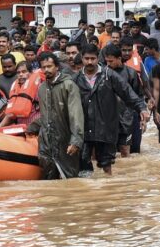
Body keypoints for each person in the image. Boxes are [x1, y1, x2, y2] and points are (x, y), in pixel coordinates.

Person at [73, 44, 147, 175]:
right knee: (83, 166)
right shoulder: (75, 79)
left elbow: (127, 92)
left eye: (93, 58)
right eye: (86, 58)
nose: (89, 62)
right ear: (82, 58)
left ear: (98, 58)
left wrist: (142, 108)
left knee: (107, 165)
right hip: (83, 129)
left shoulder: (109, 75)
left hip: (105, 128)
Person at [27, 52, 84, 179]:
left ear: (57, 67)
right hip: (46, 142)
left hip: (65, 141)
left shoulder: (69, 85)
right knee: (49, 181)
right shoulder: (42, 88)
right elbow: (45, 115)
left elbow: (76, 115)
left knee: (70, 179)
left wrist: (76, 141)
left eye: (49, 66)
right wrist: (30, 128)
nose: (46, 70)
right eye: (43, 67)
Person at [104, 44, 143, 158]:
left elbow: (138, 96)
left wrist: (141, 117)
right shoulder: (103, 73)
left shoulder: (131, 73)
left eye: (111, 61)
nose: (108, 64)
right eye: (106, 61)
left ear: (119, 59)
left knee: (126, 152)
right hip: (109, 119)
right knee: (108, 153)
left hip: (127, 118)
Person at [0, 61, 42, 127]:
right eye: (18, 73)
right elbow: (10, 114)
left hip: (36, 128)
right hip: (21, 128)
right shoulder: (15, 88)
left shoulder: (39, 87)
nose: (21, 74)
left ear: (31, 72)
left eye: (24, 72)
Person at [0, 31, 24, 97]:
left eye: (3, 41)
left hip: (20, 93)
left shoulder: (19, 55)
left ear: (8, 43)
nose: (1, 44)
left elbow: (27, 75)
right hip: (3, 97)